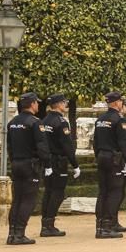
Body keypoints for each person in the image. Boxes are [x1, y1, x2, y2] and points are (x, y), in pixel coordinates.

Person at [6, 92, 51, 245]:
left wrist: (14, 161)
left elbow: (10, 147)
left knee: (17, 199)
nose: (38, 105)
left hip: (17, 163)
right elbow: (42, 147)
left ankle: (12, 233)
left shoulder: (12, 122)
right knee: (28, 200)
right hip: (30, 165)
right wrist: (48, 164)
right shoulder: (35, 122)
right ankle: (19, 233)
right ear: (32, 104)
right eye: (37, 102)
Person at [92, 91, 126, 239]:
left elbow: (95, 142)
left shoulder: (100, 119)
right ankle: (107, 226)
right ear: (116, 103)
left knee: (103, 192)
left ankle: (100, 224)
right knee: (114, 192)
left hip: (102, 156)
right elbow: (123, 143)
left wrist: (99, 156)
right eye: (121, 101)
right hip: (114, 158)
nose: (122, 103)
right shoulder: (118, 120)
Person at [40, 93, 79, 237]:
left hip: (47, 161)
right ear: (59, 104)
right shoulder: (61, 122)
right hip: (58, 161)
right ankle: (49, 225)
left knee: (48, 192)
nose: (66, 105)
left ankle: (45, 223)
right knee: (58, 192)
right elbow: (67, 145)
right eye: (64, 102)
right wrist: (75, 164)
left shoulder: (44, 121)